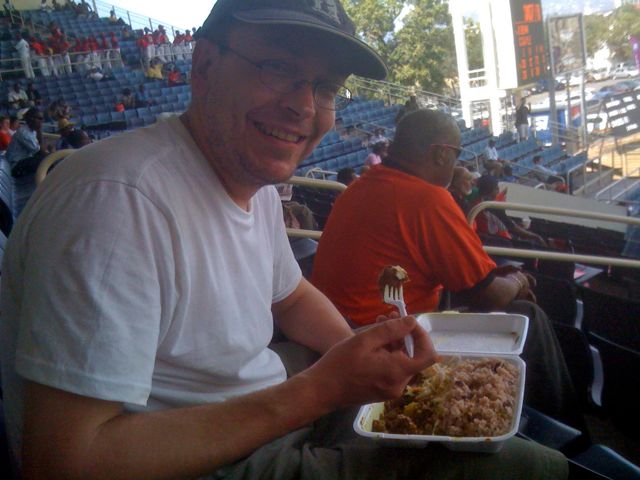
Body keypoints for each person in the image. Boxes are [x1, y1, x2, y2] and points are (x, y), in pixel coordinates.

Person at [0, 3, 567, 480]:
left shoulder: (254, 181)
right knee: (524, 469)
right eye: (276, 67)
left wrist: (359, 354)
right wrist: (321, 392)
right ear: (203, 67)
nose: (303, 105)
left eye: (324, 87)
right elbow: (64, 460)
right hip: (205, 459)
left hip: (266, 407)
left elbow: (291, 296)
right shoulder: (117, 200)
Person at [312, 109, 581, 429]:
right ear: (440, 153)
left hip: (340, 338)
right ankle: (568, 433)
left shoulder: (359, 187)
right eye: (457, 155)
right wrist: (520, 279)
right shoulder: (427, 198)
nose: (457, 165)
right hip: (387, 345)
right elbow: (489, 296)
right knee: (527, 315)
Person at [473, 174, 547, 248]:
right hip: (500, 243)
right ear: (490, 190)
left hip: (485, 239)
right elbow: (512, 228)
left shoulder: (475, 203)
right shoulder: (492, 207)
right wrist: (535, 236)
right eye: (496, 188)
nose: (498, 190)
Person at [5, 107, 46, 177]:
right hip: (15, 167)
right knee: (46, 159)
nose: (42, 121)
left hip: (22, 162)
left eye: (42, 119)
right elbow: (40, 152)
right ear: (31, 119)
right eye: (39, 118)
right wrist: (39, 129)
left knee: (48, 158)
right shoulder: (24, 132)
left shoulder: (32, 131)